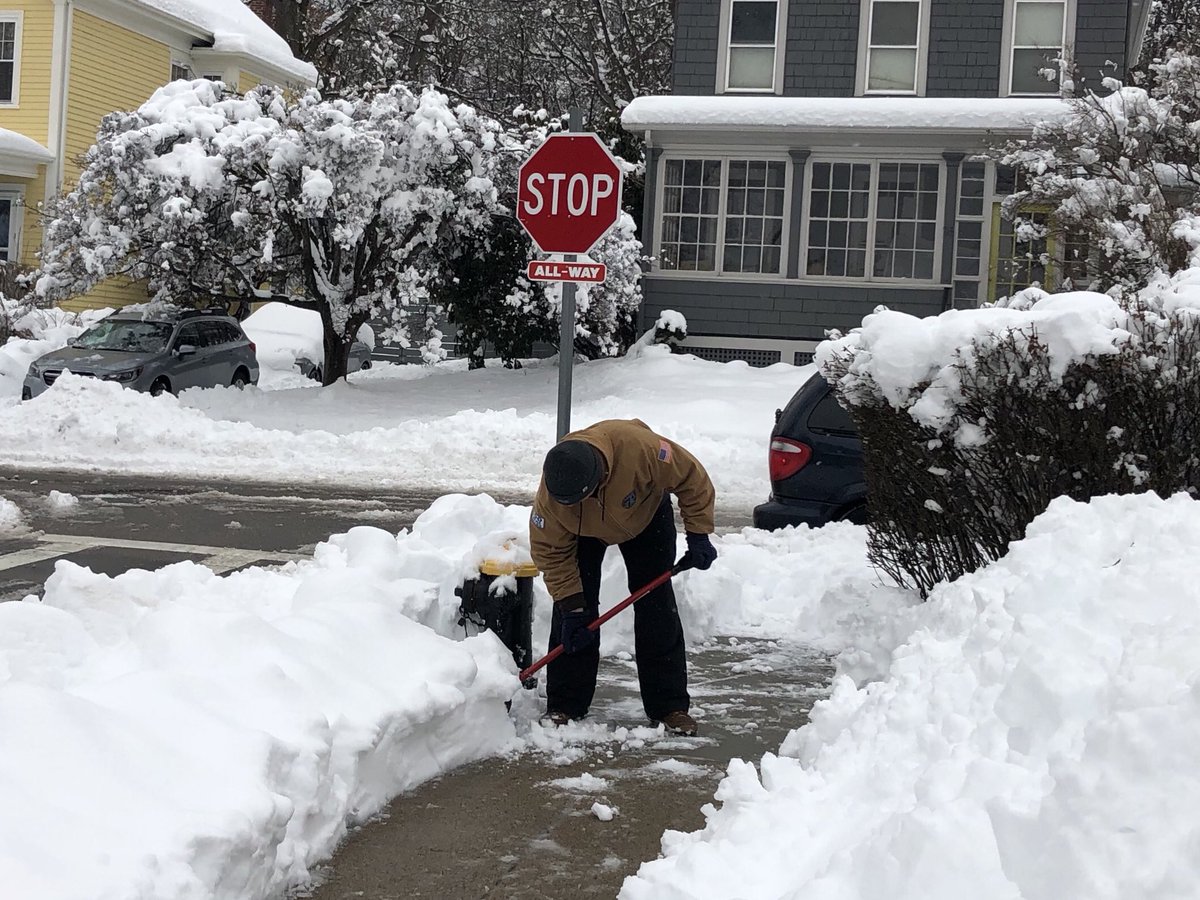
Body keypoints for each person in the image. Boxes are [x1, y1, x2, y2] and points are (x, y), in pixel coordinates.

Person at [529, 418, 718, 736]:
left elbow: (692, 479)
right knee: (573, 615)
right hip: (582, 534)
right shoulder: (553, 498)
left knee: (656, 607)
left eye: (580, 499)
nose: (573, 504)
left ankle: (669, 706)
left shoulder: (641, 449)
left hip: (645, 517)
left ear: (599, 479)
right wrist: (572, 607)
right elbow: (550, 553)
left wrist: (698, 535)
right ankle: (565, 705)